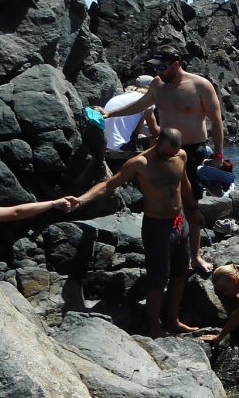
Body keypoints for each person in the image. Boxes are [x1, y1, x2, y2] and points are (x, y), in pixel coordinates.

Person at [103, 46, 224, 273]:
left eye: (162, 67)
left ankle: (195, 256)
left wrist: (218, 155)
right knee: (165, 201)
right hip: (163, 150)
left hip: (194, 150)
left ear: (177, 62)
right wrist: (110, 114)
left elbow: (217, 121)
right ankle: (170, 246)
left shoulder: (200, 85)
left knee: (191, 204)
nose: (158, 72)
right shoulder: (157, 85)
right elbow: (140, 105)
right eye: (155, 67)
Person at [73, 127, 198, 338]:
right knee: (158, 279)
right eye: (165, 153)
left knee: (180, 274)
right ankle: (153, 326)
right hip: (157, 226)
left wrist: (194, 209)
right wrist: (82, 200)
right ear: (157, 141)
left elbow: (184, 183)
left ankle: (173, 320)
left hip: (180, 222)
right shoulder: (140, 163)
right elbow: (108, 184)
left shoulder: (181, 155)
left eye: (173, 154)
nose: (169, 157)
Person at [102, 76, 158, 152]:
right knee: (160, 140)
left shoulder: (119, 97)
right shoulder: (145, 101)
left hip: (103, 144)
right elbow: (154, 131)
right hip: (119, 146)